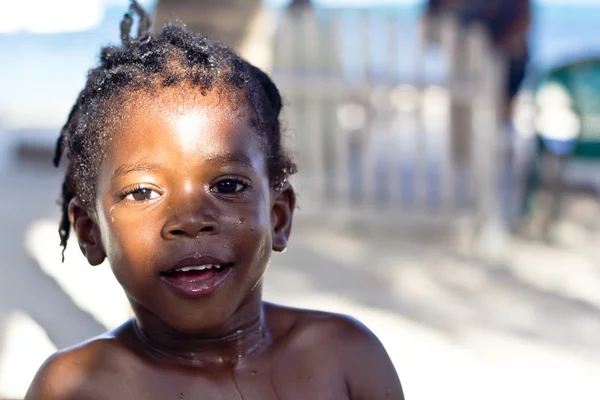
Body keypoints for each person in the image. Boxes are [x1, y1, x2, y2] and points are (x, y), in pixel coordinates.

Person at [24, 2, 403, 399]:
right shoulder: (75, 387)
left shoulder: (345, 358)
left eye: (226, 186)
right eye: (142, 192)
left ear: (278, 216)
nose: (190, 219)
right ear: (90, 232)